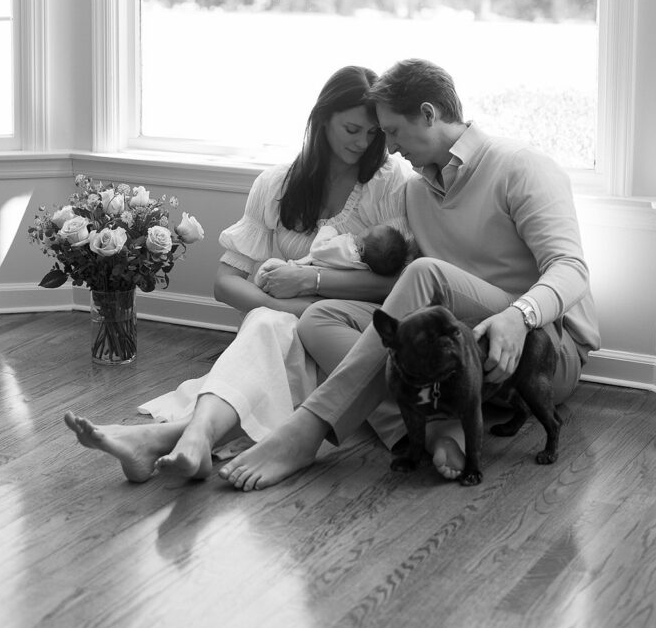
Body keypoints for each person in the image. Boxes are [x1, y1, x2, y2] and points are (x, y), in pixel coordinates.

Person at [218, 58, 602, 492]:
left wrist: (520, 316)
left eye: (393, 132)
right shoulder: (417, 191)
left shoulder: (522, 165)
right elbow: (406, 292)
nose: (389, 147)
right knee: (319, 320)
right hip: (462, 352)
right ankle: (429, 426)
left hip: (541, 350)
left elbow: (571, 268)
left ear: (427, 113)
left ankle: (306, 431)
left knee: (425, 272)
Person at [64, 65, 412, 482]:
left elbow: (399, 283)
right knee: (271, 327)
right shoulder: (277, 184)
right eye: (353, 129)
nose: (363, 143)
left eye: (374, 134)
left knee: (270, 332)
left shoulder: (389, 182)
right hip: (282, 328)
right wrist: (281, 306)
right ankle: (182, 441)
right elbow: (224, 283)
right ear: (322, 119)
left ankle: (167, 439)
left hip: (346, 332)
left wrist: (309, 283)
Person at [253, 222, 409, 289]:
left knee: (270, 265)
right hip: (313, 277)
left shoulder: (347, 249)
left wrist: (329, 229)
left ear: (360, 249)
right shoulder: (364, 268)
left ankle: (261, 284)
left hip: (302, 268)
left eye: (368, 230)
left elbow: (318, 249)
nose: (364, 229)